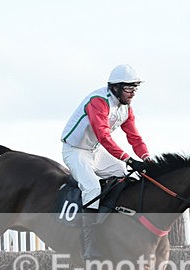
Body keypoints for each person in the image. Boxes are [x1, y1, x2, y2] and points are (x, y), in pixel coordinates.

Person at [61, 64, 152, 260]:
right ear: (116, 88)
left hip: (96, 151)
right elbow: (103, 136)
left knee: (124, 175)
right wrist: (128, 158)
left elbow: (135, 138)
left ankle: (113, 225)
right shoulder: (98, 101)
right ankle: (89, 245)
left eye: (135, 88)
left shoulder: (126, 109)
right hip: (76, 151)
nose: (133, 93)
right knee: (93, 188)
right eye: (129, 88)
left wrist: (146, 158)